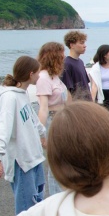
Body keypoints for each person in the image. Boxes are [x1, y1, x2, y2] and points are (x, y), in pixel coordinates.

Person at [0, 56, 47, 215]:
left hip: (34, 157)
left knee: (38, 204)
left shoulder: (22, 93)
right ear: (30, 74)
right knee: (26, 211)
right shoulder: (9, 97)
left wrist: (44, 135)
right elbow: (3, 128)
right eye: (38, 72)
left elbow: (33, 120)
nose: (40, 75)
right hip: (22, 162)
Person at [36, 42, 70, 196]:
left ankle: (65, 192)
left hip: (62, 119)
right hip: (52, 120)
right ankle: (56, 196)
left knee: (65, 160)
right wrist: (41, 133)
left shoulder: (54, 76)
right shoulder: (43, 78)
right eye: (61, 54)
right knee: (55, 162)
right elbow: (43, 108)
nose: (64, 57)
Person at [60, 30, 91, 101]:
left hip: (86, 102)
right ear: (72, 45)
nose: (84, 46)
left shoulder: (80, 62)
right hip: (77, 103)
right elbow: (67, 89)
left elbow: (86, 85)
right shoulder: (67, 64)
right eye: (81, 43)